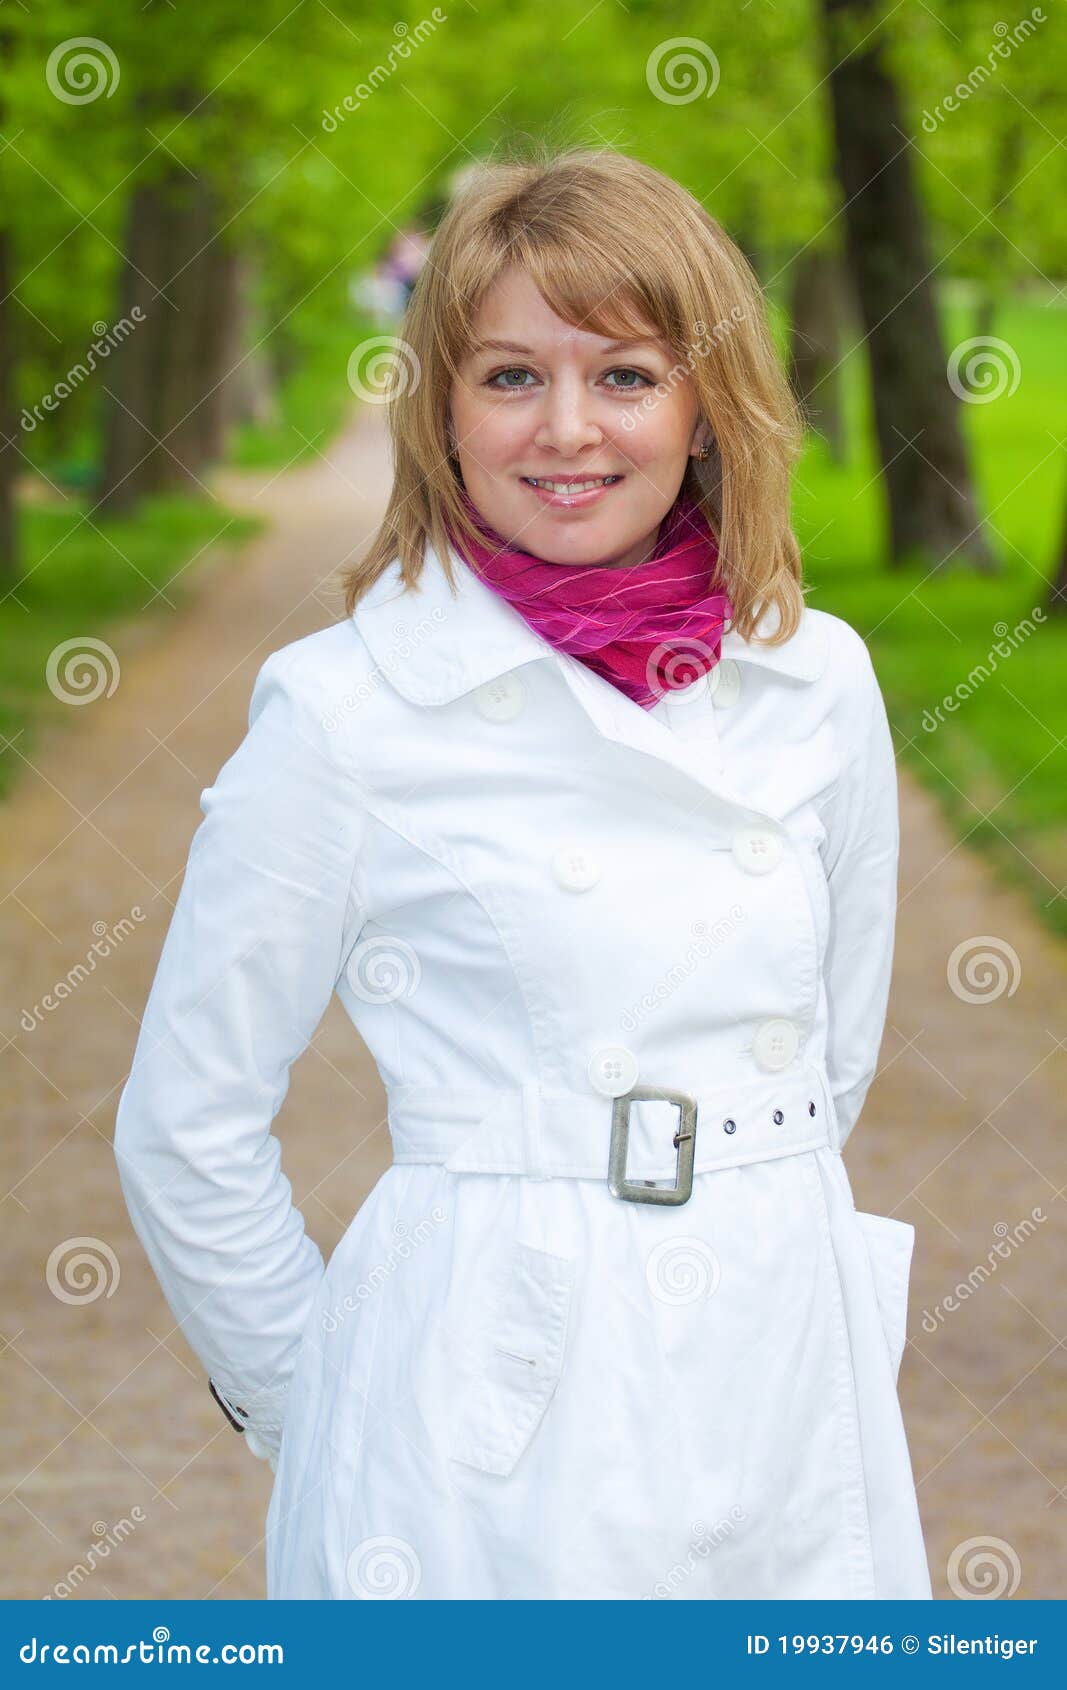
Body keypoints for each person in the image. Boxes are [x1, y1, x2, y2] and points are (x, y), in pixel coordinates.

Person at [112, 145, 933, 1601]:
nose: (567, 429)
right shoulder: (350, 710)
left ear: (706, 401)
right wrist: (330, 1407)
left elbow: (835, 1046)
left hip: (782, 1380)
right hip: (474, 1432)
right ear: (439, 406)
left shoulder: (816, 677)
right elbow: (188, 1124)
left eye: (624, 374)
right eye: (507, 377)